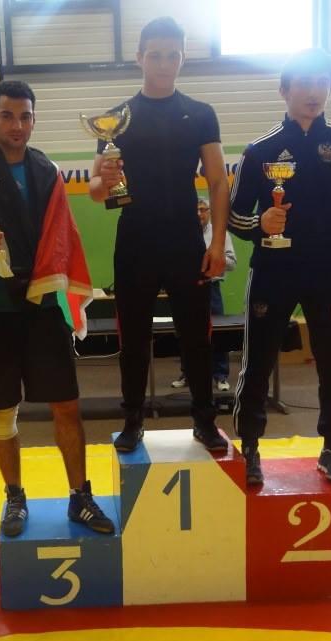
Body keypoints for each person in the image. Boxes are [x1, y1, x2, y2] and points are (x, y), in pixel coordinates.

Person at [0, 80, 114, 538]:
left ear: (34, 120)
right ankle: (15, 496)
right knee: (2, 408)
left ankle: (80, 496)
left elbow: (62, 235)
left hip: (43, 301)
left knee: (66, 404)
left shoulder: (47, 170)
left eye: (25, 116)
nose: (17, 125)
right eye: (8, 115)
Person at [229, 48, 331, 485]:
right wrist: (260, 223)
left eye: (322, 82)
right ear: (284, 90)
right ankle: (250, 448)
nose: (314, 92)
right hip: (272, 273)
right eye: (304, 83)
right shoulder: (259, 151)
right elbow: (234, 217)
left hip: (329, 275)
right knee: (257, 362)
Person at [89, 16, 230, 452]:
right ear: (139, 58)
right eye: (155, 55)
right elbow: (96, 191)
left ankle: (204, 420)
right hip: (135, 243)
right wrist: (104, 179)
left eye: (172, 55)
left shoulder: (200, 114)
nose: (164, 64)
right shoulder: (115, 119)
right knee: (133, 337)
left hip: (186, 242)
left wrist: (217, 243)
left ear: (182, 58)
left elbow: (218, 181)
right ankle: (132, 419)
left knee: (196, 336)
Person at [172, 198, 237, 392]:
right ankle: (187, 373)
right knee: (187, 332)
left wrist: (214, 259)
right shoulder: (182, 233)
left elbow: (232, 263)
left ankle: (220, 375)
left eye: (203, 209)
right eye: (196, 210)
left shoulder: (219, 234)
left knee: (217, 333)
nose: (199, 214)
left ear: (209, 212)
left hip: (211, 288)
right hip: (187, 288)